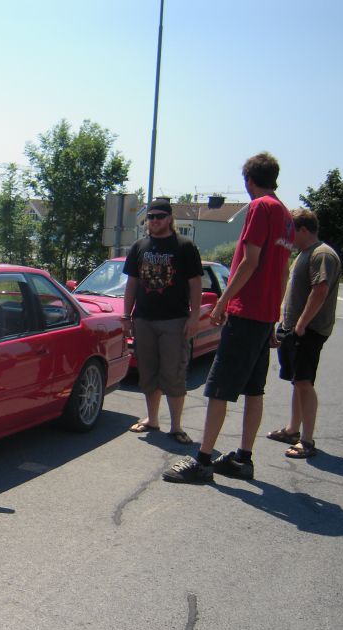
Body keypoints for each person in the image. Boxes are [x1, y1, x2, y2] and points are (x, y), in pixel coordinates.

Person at [162, 152, 294, 483]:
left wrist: (222, 302)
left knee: (219, 389)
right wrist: (275, 315)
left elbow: (250, 260)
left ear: (249, 180)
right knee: (253, 389)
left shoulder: (261, 208)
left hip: (246, 313)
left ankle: (203, 461)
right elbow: (282, 271)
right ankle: (243, 459)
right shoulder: (286, 216)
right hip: (263, 317)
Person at [121, 197, 202, 444]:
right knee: (148, 371)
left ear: (169, 219)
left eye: (159, 217)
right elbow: (132, 283)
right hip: (144, 319)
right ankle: (152, 419)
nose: (154, 221)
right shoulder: (139, 246)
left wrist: (194, 316)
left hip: (174, 320)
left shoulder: (184, 246)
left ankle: (176, 426)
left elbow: (195, 283)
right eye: (150, 217)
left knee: (173, 372)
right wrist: (126, 315)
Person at [266, 208, 340, 459]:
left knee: (305, 382)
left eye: (291, 231)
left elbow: (320, 290)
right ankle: (292, 430)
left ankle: (307, 440)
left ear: (304, 229)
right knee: (297, 382)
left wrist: (300, 325)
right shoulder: (304, 254)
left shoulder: (322, 254)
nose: (288, 236)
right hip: (294, 330)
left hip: (308, 331)